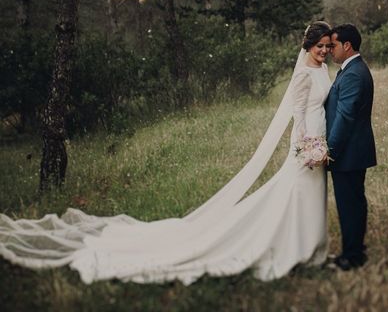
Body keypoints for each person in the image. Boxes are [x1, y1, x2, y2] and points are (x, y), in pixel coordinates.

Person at [0, 22, 333, 284]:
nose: (324, 52)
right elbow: (298, 115)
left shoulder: (322, 70)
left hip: (320, 139)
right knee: (297, 193)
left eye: (327, 47)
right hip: (306, 143)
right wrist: (306, 145)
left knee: (308, 194)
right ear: (308, 45)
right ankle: (295, 250)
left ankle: (312, 249)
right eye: (319, 47)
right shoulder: (304, 74)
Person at [325, 24, 376, 271]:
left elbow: (344, 118)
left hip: (348, 153)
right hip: (353, 151)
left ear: (347, 45)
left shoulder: (354, 73)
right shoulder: (351, 69)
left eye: (333, 45)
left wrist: (329, 152)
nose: (329, 50)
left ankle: (352, 257)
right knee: (354, 201)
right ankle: (356, 249)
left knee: (349, 204)